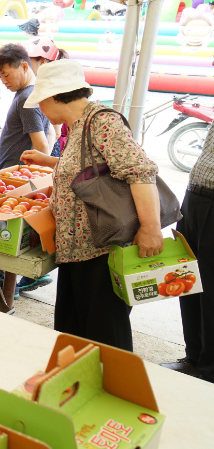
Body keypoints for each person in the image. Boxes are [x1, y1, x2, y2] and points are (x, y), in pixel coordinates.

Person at [20, 60, 163, 350]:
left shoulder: (101, 122)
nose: (41, 110)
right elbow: (91, 170)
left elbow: (140, 171)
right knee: (75, 330)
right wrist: (50, 162)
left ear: (53, 97)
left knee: (104, 334)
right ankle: (80, 385)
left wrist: (150, 228)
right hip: (77, 249)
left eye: (41, 102)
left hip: (101, 247)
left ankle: (113, 388)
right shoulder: (78, 125)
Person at [0, 43, 55, 293]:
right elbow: (52, 131)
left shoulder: (27, 98)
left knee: (8, 226)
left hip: (17, 177)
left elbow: (41, 142)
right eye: (0, 75)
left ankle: (6, 284)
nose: (3, 80)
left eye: (6, 74)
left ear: (24, 66)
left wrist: (38, 173)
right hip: (15, 174)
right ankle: (22, 279)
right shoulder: (32, 94)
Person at [166, 124, 214, 382]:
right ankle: (193, 358)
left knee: (210, 290)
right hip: (195, 195)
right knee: (186, 279)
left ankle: (209, 371)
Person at [24, 36, 70, 156]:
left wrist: (45, 159)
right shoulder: (51, 83)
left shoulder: (52, 87)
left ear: (43, 62)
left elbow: (55, 132)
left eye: (29, 61)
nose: (25, 66)